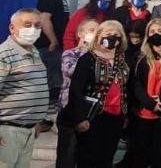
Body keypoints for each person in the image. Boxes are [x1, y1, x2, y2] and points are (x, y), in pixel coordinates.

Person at [65, 20, 130, 168]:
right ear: (99, 36)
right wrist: (80, 118)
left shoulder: (122, 60)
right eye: (108, 34)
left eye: (116, 35)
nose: (113, 38)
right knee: (88, 158)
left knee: (107, 157)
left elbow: (126, 87)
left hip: (116, 116)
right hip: (93, 116)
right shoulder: (88, 59)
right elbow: (76, 90)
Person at [0, 9, 49, 168]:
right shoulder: (4, 54)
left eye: (37, 25)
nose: (33, 29)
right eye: (27, 25)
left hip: (27, 130)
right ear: (12, 28)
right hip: (7, 130)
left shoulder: (34, 51)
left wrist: (34, 122)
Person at [130, 19, 161, 168]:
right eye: (152, 31)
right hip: (143, 110)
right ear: (147, 34)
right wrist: (150, 103)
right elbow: (135, 84)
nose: (156, 34)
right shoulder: (139, 56)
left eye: (160, 31)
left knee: (160, 153)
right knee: (140, 153)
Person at [56, 18, 98, 168]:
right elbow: (70, 72)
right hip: (69, 108)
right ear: (81, 33)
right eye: (92, 30)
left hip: (89, 110)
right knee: (67, 154)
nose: (95, 34)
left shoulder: (98, 56)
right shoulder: (70, 54)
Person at [35, 0, 73, 121]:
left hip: (56, 46)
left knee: (55, 78)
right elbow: (44, 18)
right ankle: (44, 117)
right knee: (52, 80)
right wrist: (53, 40)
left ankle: (48, 116)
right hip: (48, 46)